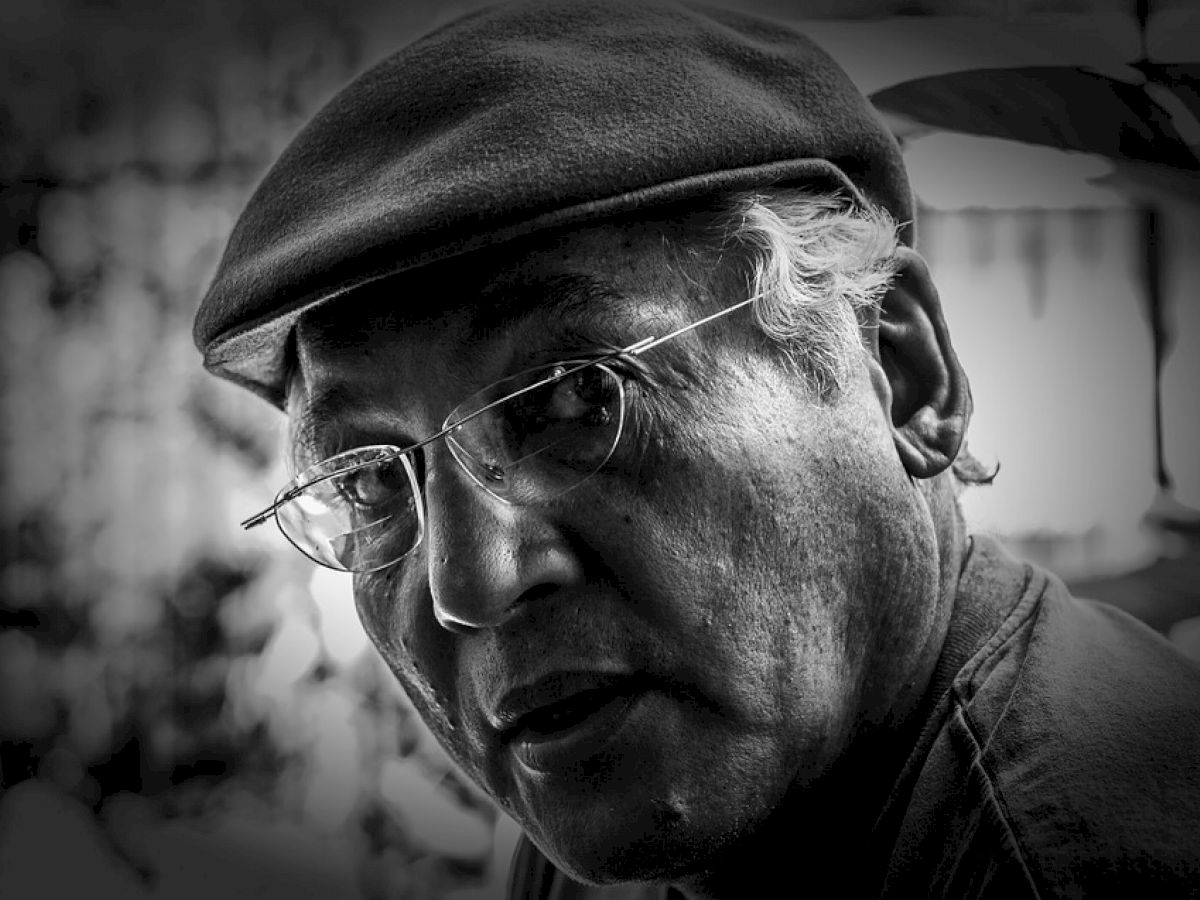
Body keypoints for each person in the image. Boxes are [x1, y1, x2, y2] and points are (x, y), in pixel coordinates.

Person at [194, 2, 1200, 897]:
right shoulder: (638, 784)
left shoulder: (1082, 857)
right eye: (370, 480)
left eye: (575, 397)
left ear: (902, 370)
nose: (471, 581)